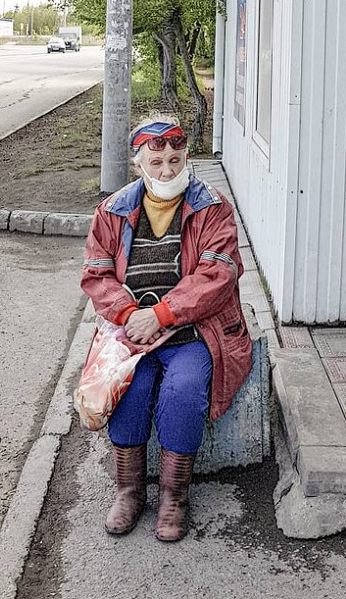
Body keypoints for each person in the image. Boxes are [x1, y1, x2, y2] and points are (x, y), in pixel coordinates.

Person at [81, 117, 252, 542]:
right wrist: (128, 315)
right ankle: (129, 490)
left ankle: (174, 496)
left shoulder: (213, 207)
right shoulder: (112, 211)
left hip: (195, 329)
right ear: (138, 164)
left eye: (175, 160)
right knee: (130, 389)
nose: (167, 170)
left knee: (184, 390)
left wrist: (161, 315)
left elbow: (218, 275)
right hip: (133, 329)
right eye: (155, 162)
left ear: (186, 156)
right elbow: (97, 275)